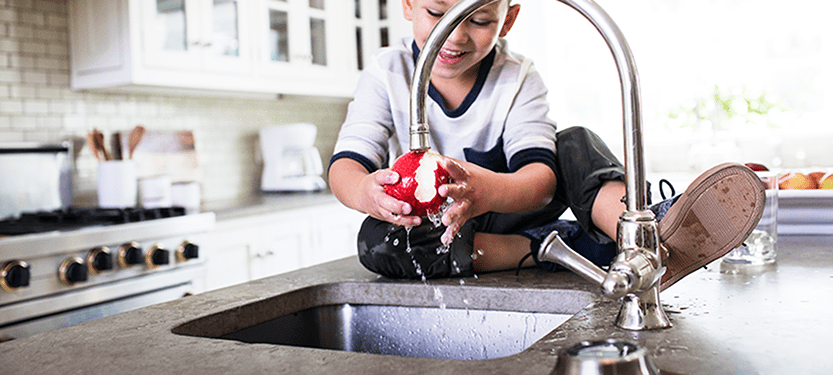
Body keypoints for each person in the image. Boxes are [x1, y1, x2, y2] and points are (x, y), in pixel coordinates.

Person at [328, 0, 765, 291]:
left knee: (574, 143)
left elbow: (540, 182)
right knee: (378, 242)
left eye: (479, 20)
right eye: (436, 13)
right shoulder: (386, 74)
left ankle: (643, 237)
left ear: (508, 18)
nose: (456, 36)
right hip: (461, 235)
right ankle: (559, 247)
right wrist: (366, 191)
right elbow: (346, 165)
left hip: (514, 198)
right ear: (406, 3)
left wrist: (485, 190)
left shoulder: (517, 77)